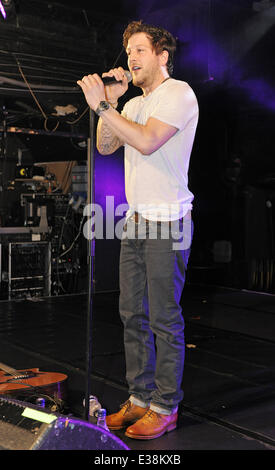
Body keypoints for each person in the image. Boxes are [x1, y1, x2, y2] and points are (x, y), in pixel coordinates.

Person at [77, 20, 199, 440]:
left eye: (141, 50)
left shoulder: (178, 94)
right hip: (136, 221)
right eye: (129, 50)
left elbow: (147, 142)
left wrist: (103, 107)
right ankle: (141, 397)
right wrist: (110, 102)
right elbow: (105, 145)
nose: (131, 57)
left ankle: (166, 406)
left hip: (169, 222)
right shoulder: (130, 104)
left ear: (162, 56)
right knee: (132, 314)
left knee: (164, 317)